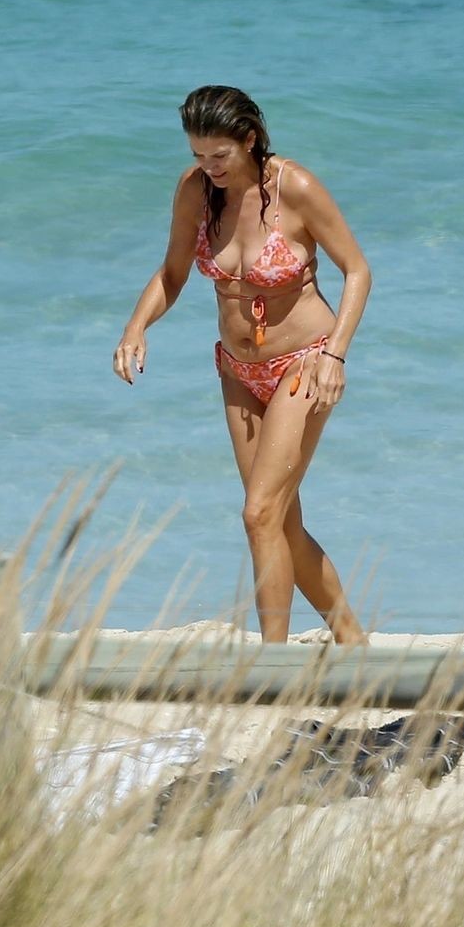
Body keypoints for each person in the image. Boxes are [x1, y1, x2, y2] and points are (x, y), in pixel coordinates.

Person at [114, 85, 369, 644]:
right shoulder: (196, 191)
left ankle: (271, 662)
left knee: (258, 513)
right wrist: (137, 326)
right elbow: (173, 274)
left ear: (249, 140)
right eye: (198, 155)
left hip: (305, 363)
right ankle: (352, 640)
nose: (209, 166)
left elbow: (357, 270)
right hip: (237, 370)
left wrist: (335, 354)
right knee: (278, 521)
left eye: (219, 155)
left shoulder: (295, 188)